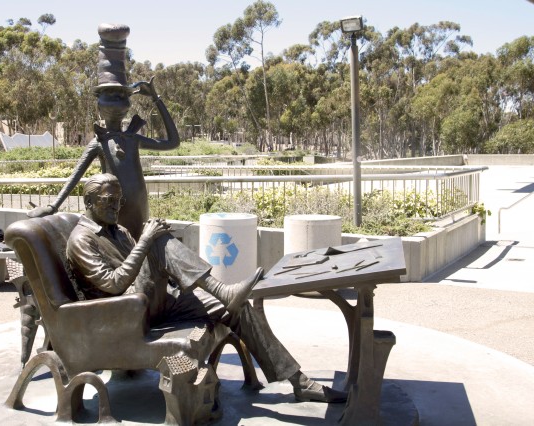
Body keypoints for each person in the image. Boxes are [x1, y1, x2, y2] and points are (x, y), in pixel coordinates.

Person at [66, 173, 347, 403]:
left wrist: (170, 273)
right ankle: (221, 288)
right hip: (123, 316)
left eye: (119, 200)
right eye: (108, 201)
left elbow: (140, 269)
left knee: (235, 307)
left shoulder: (119, 231)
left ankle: (300, 382)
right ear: (89, 201)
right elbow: (113, 285)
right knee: (157, 242)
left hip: (154, 303)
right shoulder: (82, 240)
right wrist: (146, 241)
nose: (117, 206)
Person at [28, 23, 179, 241]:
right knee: (122, 252)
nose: (116, 102)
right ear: (99, 104)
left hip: (140, 209)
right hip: (113, 211)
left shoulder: (133, 138)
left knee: (142, 248)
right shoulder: (99, 143)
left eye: (120, 95)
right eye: (109, 95)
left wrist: (156, 98)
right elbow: (75, 177)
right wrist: (53, 207)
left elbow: (173, 142)